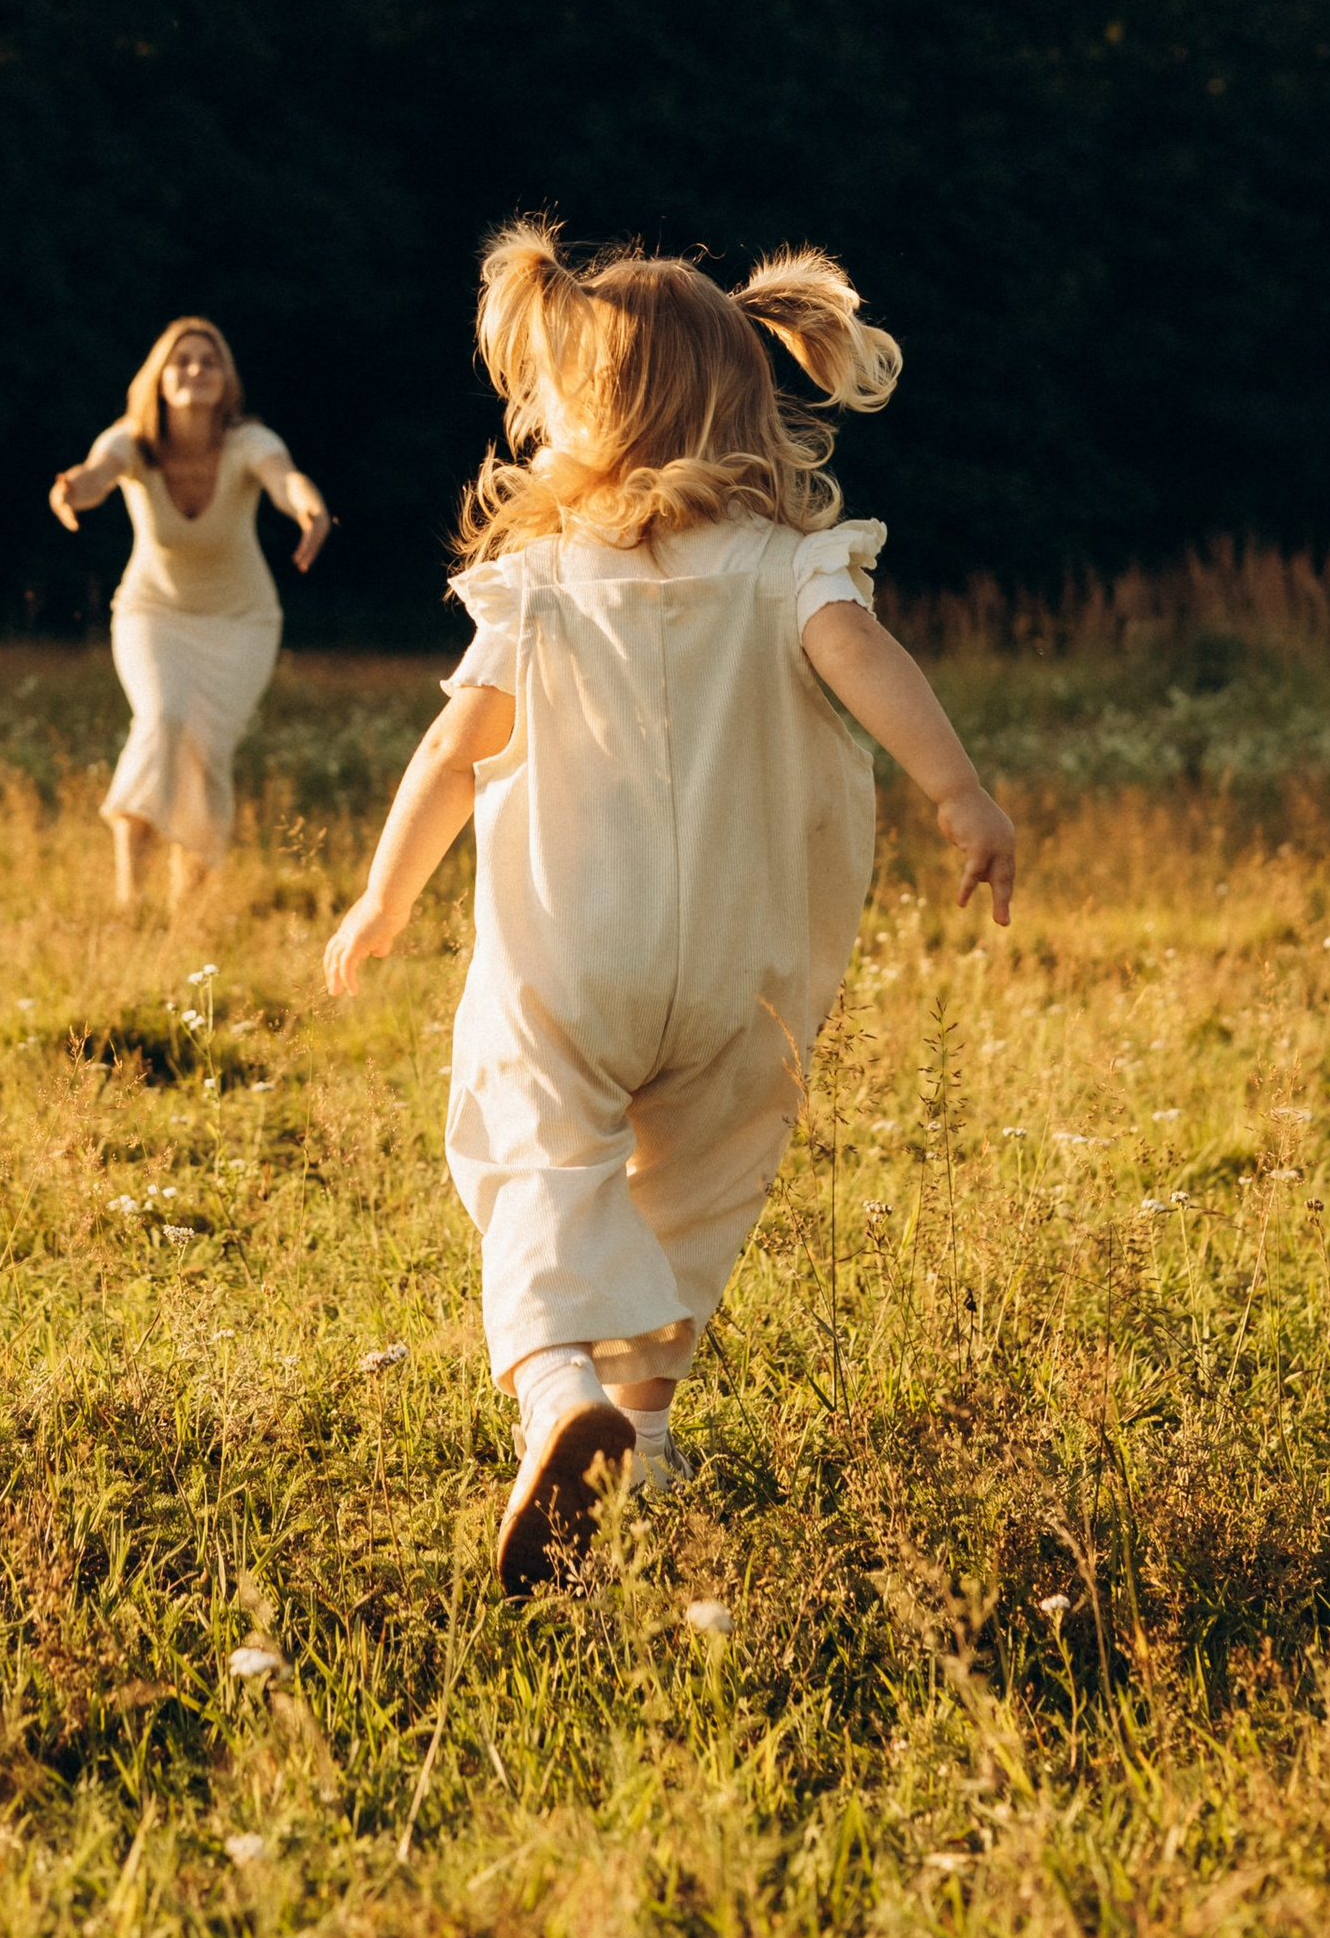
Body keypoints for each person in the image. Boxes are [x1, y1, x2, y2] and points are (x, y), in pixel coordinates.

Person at [323, 220, 1015, 1592]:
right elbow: (865, 661)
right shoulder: (785, 567)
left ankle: (558, 1392)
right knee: (696, 1188)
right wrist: (962, 798)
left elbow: (455, 752)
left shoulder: (543, 585)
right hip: (741, 973)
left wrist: (379, 898)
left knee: (534, 1158)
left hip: (570, 961)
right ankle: (646, 1434)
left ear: (595, 414)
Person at [51, 318, 333, 905]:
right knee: (164, 719)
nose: (196, 371)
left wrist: (312, 511)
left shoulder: (249, 442)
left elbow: (286, 481)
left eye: (209, 361)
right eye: (183, 361)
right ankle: (131, 894)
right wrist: (70, 490)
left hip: (242, 622)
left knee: (206, 747)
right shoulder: (130, 441)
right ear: (159, 377)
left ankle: (189, 908)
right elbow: (96, 475)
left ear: (225, 380)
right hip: (153, 614)